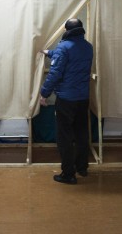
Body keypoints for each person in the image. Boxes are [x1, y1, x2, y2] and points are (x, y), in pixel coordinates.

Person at [39, 18, 93, 184]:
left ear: (66, 30)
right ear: (81, 29)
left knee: (65, 137)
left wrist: (44, 93)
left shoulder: (64, 47)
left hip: (66, 100)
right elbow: (70, 57)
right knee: (82, 134)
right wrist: (49, 53)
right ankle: (82, 167)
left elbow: (55, 73)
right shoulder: (87, 46)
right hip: (83, 98)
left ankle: (68, 174)